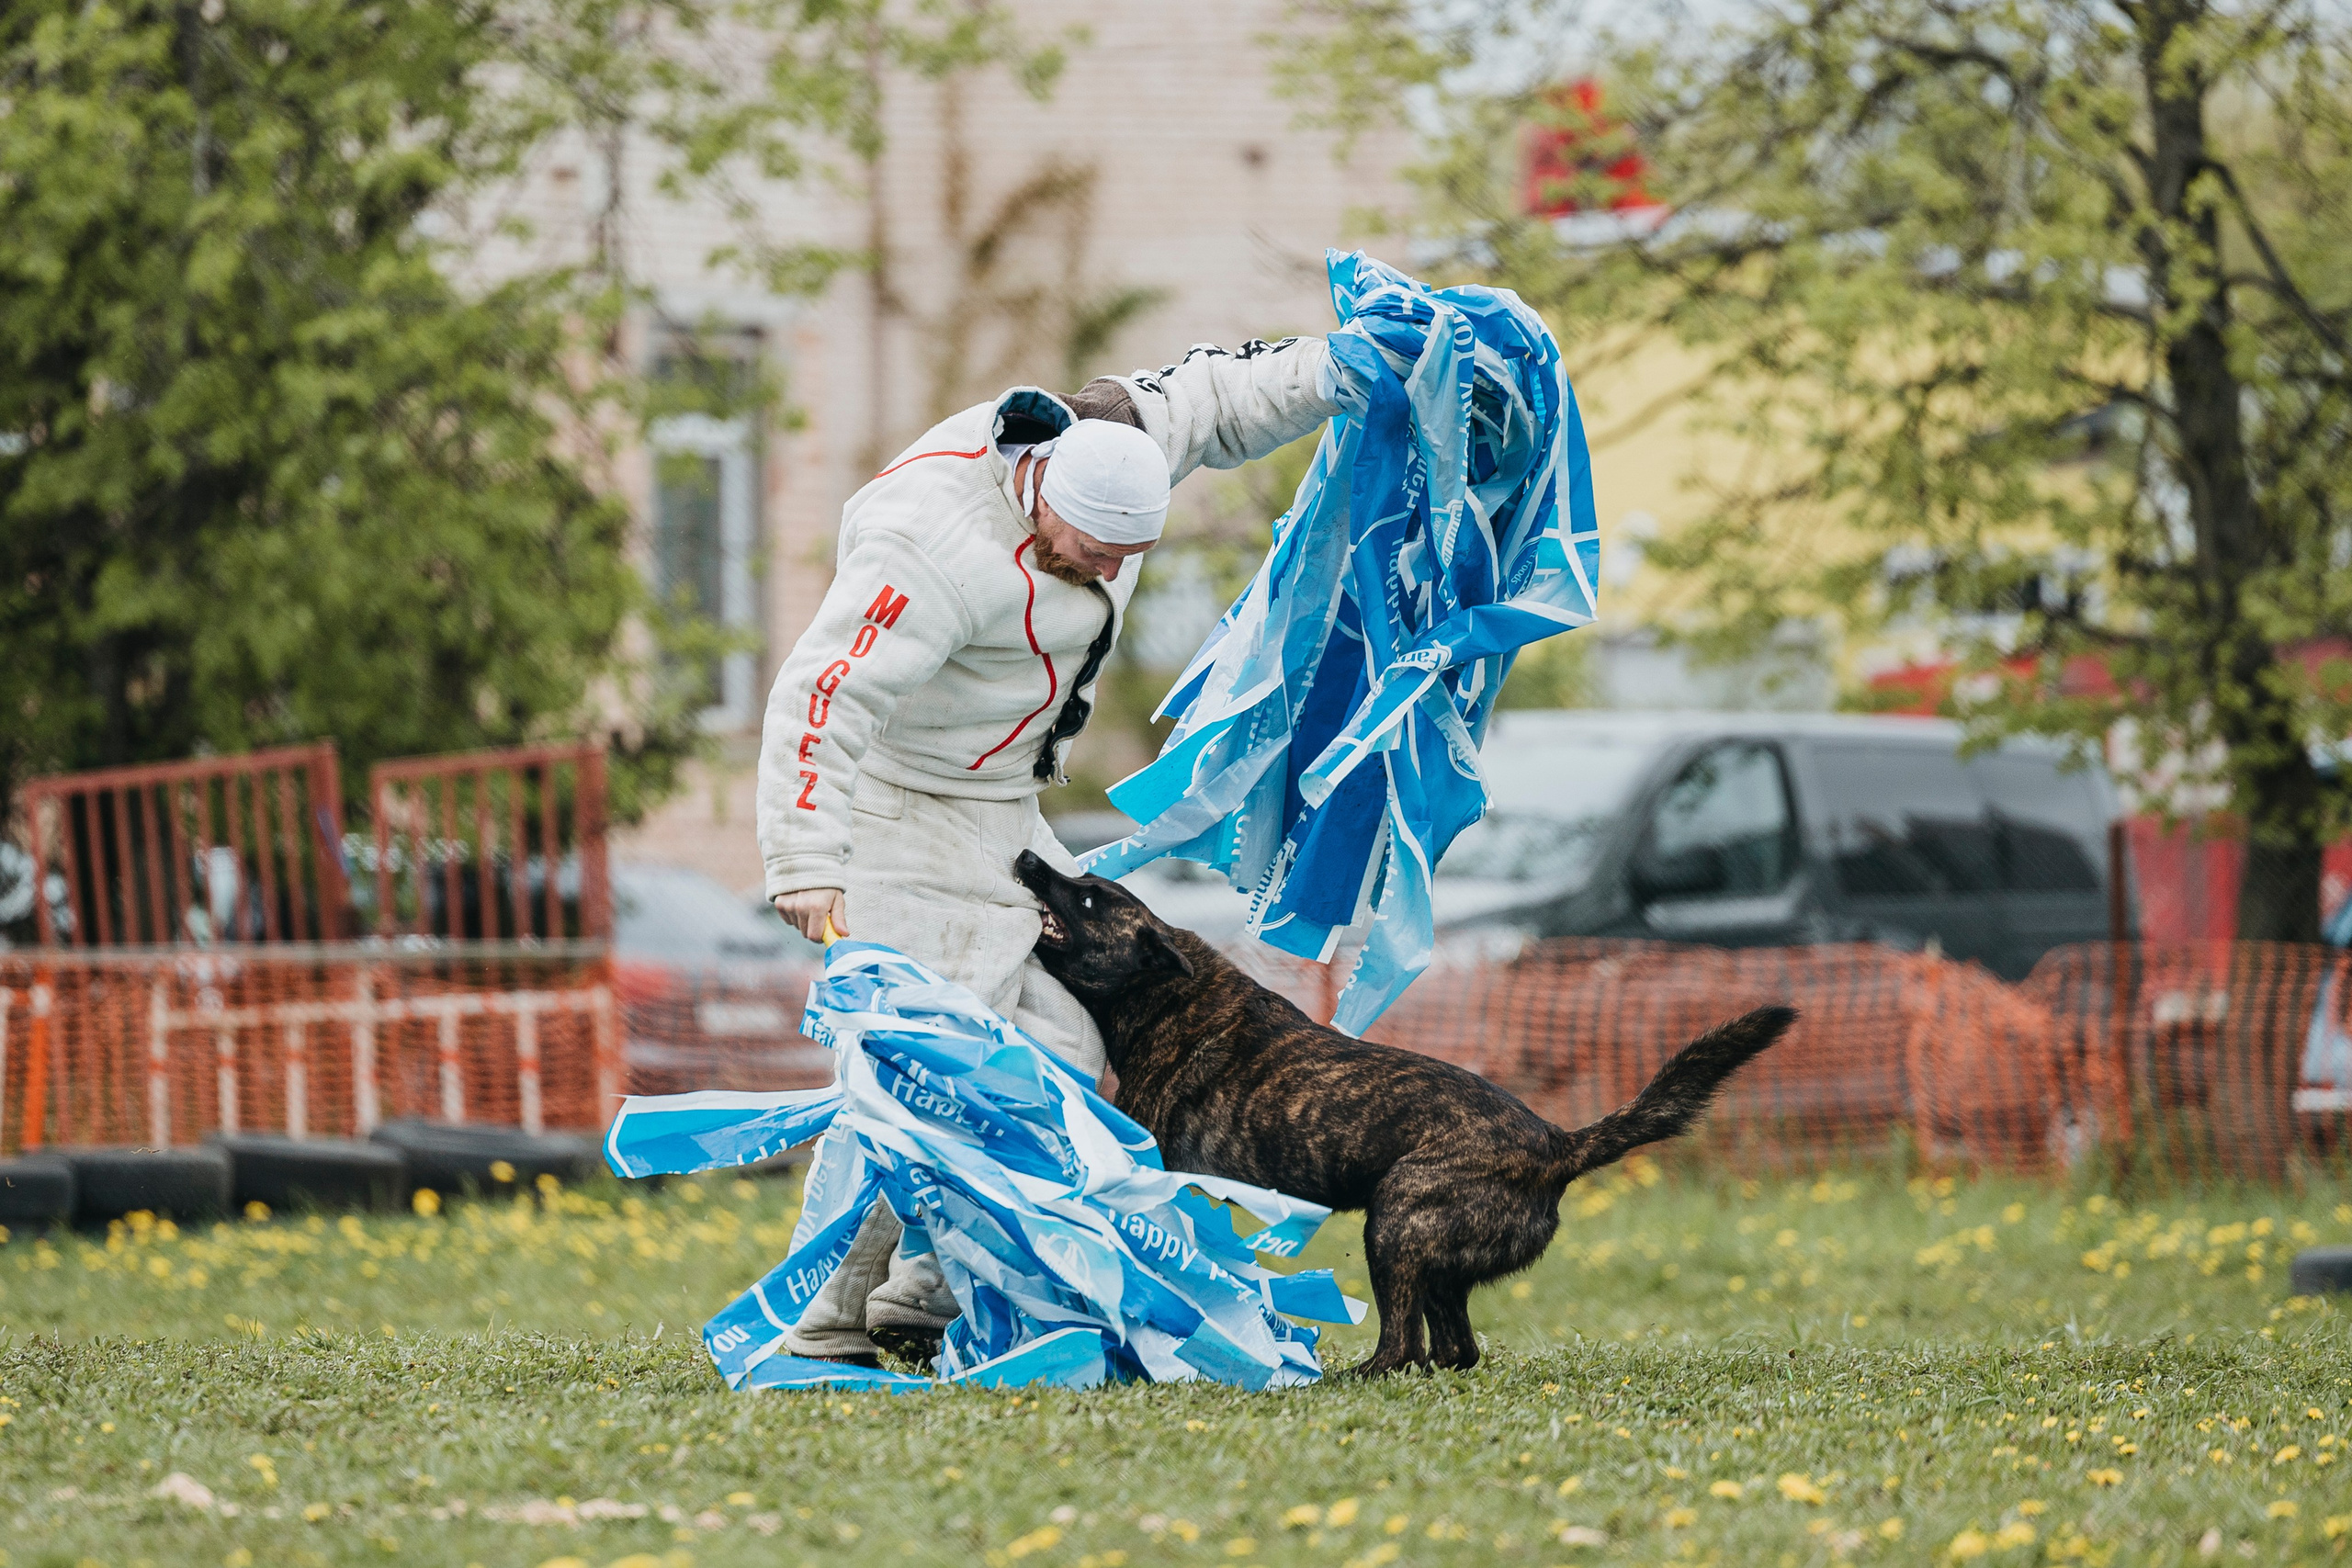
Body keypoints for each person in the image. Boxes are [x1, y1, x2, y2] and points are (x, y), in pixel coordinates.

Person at [757, 335, 1343, 1363]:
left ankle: (924, 1297)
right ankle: (824, 1320)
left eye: (1129, 554)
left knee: (1070, 1054)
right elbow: (823, 696)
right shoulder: (925, 547)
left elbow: (1216, 396)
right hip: (899, 816)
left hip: (1003, 813)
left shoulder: (1106, 435)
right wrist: (803, 858)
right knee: (921, 1076)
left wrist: (1353, 368)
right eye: (1094, 550)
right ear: (1036, 493)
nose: (1112, 572)